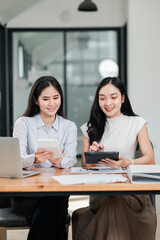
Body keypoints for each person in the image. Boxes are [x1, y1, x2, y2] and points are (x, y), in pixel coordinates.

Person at [72, 77, 157, 240]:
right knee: (111, 200)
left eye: (113, 97)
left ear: (123, 98)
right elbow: (85, 164)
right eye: (102, 98)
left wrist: (127, 162)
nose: (107, 103)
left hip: (130, 192)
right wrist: (92, 155)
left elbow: (150, 159)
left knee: (114, 203)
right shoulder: (89, 128)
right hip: (100, 193)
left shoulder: (137, 123)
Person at [11, 76, 77, 240]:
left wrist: (58, 161)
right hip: (26, 193)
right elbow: (15, 161)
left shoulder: (69, 126)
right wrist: (35, 159)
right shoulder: (23, 124)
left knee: (51, 203)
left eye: (56, 98)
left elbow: (71, 160)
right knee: (53, 211)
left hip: (57, 191)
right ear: (36, 100)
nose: (52, 103)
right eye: (45, 99)